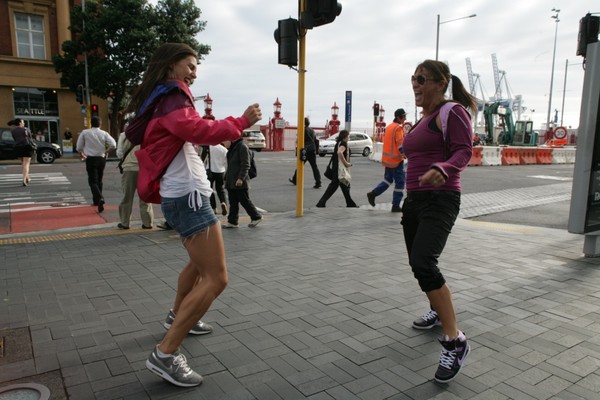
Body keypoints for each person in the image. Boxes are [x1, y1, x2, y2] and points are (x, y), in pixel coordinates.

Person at [125, 42, 261, 387]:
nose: (194, 72)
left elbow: (195, 128)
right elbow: (199, 131)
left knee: (197, 267)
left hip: (186, 194)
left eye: (196, 66)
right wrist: (242, 121)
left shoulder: (166, 97)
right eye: (189, 64)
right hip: (187, 197)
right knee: (217, 278)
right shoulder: (173, 96)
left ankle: (176, 316)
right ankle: (166, 353)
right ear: (171, 66)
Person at [402, 59, 477, 384]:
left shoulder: (453, 112)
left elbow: (464, 151)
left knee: (424, 262)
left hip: (441, 197)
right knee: (418, 264)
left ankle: (454, 341)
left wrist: (443, 167)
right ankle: (437, 308)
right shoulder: (421, 121)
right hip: (415, 200)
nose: (415, 84)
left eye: (422, 78)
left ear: (441, 82)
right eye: (413, 78)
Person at [367, 108, 407, 212]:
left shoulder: (389, 127)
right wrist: (404, 153)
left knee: (387, 180)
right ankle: (396, 205)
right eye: (403, 117)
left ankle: (373, 194)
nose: (405, 119)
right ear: (398, 117)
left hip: (387, 160)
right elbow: (399, 144)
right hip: (396, 161)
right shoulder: (398, 128)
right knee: (400, 183)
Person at [76, 116, 116, 213]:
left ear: (91, 123)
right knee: (99, 180)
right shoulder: (104, 133)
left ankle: (99, 198)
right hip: (101, 158)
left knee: (92, 181)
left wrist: (81, 153)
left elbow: (79, 146)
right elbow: (114, 145)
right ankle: (97, 201)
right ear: (100, 124)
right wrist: (106, 151)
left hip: (90, 158)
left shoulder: (85, 132)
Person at [116, 130, 153, 229]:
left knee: (127, 197)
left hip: (129, 168)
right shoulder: (148, 132)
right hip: (144, 168)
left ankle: (125, 223)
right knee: (145, 197)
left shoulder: (124, 135)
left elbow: (119, 153)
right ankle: (147, 223)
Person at [222, 138, 263, 228]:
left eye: (225, 140)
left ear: (231, 139)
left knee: (244, 200)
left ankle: (256, 217)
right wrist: (226, 177)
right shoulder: (232, 149)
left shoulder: (242, 147)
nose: (223, 142)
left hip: (239, 181)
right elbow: (230, 166)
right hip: (232, 181)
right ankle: (232, 221)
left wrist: (241, 178)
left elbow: (246, 164)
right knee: (233, 202)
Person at [316, 130, 357, 208]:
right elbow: (339, 153)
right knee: (334, 185)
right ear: (345, 137)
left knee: (345, 184)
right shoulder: (343, 143)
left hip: (336, 167)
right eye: (348, 136)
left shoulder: (338, 143)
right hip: (339, 169)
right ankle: (321, 202)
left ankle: (350, 203)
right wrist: (346, 163)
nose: (349, 138)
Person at [289, 117, 321, 188]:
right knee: (314, 166)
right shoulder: (312, 130)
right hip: (312, 149)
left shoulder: (302, 130)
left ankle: (295, 180)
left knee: (300, 165)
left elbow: (299, 140)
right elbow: (315, 139)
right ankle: (318, 182)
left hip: (305, 150)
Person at [9, 118, 34, 186]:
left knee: (23, 163)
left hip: (18, 147)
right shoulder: (26, 129)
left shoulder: (13, 131)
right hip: (26, 147)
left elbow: (15, 139)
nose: (24, 123)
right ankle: (24, 179)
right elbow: (30, 138)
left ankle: (27, 177)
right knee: (26, 164)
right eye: (23, 122)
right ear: (20, 123)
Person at [206, 143, 228, 216]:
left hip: (210, 171)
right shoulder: (224, 149)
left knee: (210, 189)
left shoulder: (209, 147)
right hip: (220, 171)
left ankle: (214, 208)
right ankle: (223, 202)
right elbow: (226, 161)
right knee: (220, 189)